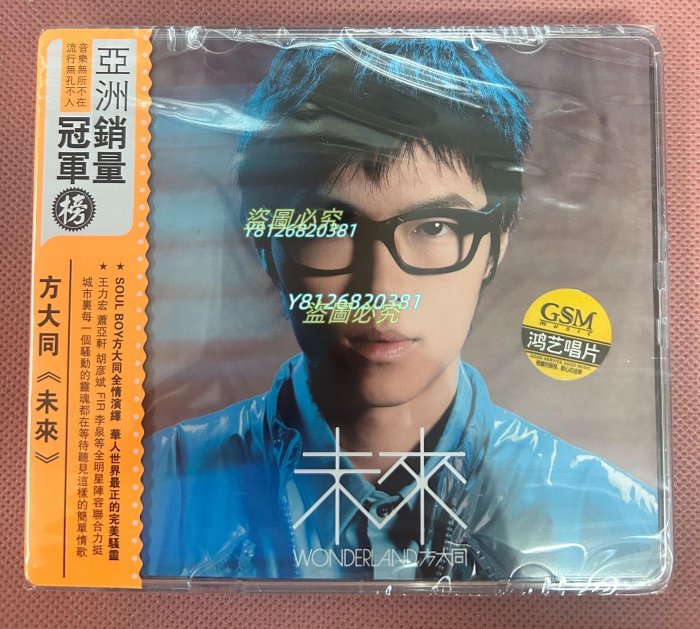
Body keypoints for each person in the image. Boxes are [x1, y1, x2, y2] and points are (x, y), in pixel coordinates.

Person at [141, 37, 660, 584]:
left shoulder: (621, 527)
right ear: (266, 245)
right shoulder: (145, 494)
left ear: (496, 244)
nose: (381, 289)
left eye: (434, 227)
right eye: (332, 228)